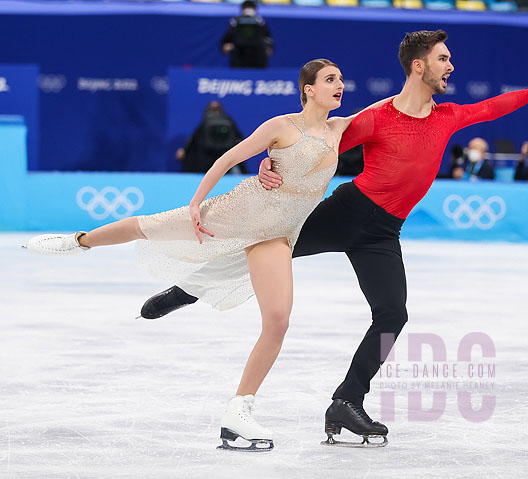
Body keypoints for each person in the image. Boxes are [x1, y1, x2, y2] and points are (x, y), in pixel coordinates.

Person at [141, 30, 528, 448]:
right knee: (270, 249)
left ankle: (346, 401)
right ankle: (186, 290)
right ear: (419, 66)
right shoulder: (377, 119)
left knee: (393, 315)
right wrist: (270, 162)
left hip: (382, 234)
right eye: (442, 59)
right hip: (345, 212)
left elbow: (490, 108)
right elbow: (313, 140)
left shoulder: (448, 117)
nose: (450, 66)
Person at [25, 59, 390, 452]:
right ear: (308, 89)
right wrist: (197, 205)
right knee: (146, 226)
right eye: (330, 80)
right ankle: (79, 241)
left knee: (278, 320)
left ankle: (238, 412)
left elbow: (388, 107)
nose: (339, 85)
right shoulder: (282, 126)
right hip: (238, 212)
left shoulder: (339, 129)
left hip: (277, 234)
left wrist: (420, 84)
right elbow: (227, 159)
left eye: (340, 79)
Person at [176, 101, 247, 174]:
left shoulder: (226, 122)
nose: (215, 113)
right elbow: (194, 139)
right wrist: (185, 150)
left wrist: (185, 150)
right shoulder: (226, 121)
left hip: (215, 159)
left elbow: (193, 139)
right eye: (212, 109)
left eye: (216, 109)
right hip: (217, 159)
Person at [221, 0, 273, 69]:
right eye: (246, 8)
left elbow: (267, 37)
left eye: (251, 8)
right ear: (242, 9)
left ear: (255, 9)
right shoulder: (236, 21)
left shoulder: (260, 21)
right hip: (239, 54)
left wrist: (269, 47)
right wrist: (225, 45)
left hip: (257, 54)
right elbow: (228, 36)